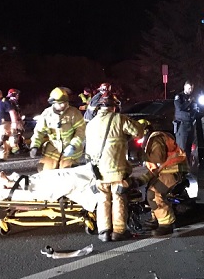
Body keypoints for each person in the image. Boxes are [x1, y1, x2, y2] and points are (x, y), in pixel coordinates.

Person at [86, 96, 144, 242]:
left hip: (98, 172)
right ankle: (118, 231)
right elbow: (138, 132)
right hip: (117, 171)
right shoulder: (119, 119)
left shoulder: (91, 124)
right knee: (118, 198)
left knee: (103, 199)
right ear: (114, 107)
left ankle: (104, 231)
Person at [136, 119, 189, 236]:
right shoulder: (152, 139)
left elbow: (158, 159)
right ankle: (156, 217)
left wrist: (141, 155)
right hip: (168, 169)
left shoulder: (155, 138)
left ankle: (166, 224)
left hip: (174, 170)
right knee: (149, 187)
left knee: (154, 193)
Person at [30, 87, 86, 171]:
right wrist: (34, 146)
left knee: (66, 172)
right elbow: (39, 132)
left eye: (65, 102)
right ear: (53, 103)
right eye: (60, 103)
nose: (63, 105)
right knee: (45, 171)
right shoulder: (46, 114)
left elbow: (81, 131)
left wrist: (73, 146)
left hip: (70, 151)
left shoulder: (74, 113)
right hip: (53, 149)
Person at [174, 80, 197, 160]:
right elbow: (180, 107)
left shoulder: (192, 98)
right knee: (181, 148)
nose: (190, 90)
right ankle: (180, 168)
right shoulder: (179, 97)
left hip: (190, 124)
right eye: (189, 88)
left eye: (191, 88)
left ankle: (188, 167)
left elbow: (195, 109)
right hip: (182, 126)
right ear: (184, 87)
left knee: (189, 148)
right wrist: (189, 101)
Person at [6, 88, 25, 154]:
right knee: (14, 134)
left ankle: (20, 145)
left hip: (17, 120)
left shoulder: (14, 102)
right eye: (17, 94)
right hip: (12, 121)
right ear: (14, 94)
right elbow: (13, 112)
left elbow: (18, 111)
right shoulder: (10, 103)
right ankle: (14, 148)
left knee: (20, 132)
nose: (18, 96)